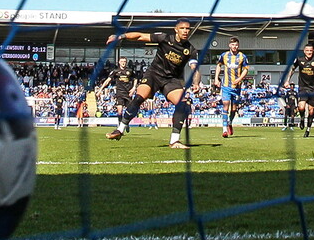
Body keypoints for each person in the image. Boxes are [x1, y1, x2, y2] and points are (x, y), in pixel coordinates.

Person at [105, 19, 200, 149]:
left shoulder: (190, 49)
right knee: (139, 98)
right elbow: (140, 36)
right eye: (183, 28)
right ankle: (120, 130)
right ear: (176, 29)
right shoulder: (164, 38)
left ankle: (174, 141)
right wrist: (121, 36)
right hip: (154, 75)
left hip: (171, 80)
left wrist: (196, 83)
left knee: (182, 104)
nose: (185, 31)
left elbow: (195, 69)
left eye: (188, 29)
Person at [285, 42, 314, 138]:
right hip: (303, 87)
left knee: (311, 111)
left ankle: (308, 129)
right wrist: (287, 81)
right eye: (307, 50)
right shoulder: (299, 60)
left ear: (313, 51)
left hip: (313, 88)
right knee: (301, 107)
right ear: (304, 51)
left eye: (311, 50)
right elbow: (292, 70)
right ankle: (302, 118)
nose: (309, 52)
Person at [212, 36, 249, 138]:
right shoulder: (224, 55)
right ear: (229, 45)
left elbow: (246, 69)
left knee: (233, 109)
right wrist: (216, 78)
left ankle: (229, 123)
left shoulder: (242, 56)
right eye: (233, 44)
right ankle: (224, 129)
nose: (234, 46)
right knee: (225, 105)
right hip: (226, 86)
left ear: (238, 45)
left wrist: (239, 79)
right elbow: (219, 65)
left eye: (236, 45)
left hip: (237, 87)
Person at [98, 57, 137, 133]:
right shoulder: (115, 71)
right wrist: (100, 90)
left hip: (128, 93)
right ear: (119, 62)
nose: (123, 63)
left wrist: (134, 88)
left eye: (125, 61)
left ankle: (126, 123)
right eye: (122, 61)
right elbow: (107, 81)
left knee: (129, 111)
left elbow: (135, 79)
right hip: (119, 93)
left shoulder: (130, 71)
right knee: (119, 111)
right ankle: (120, 125)